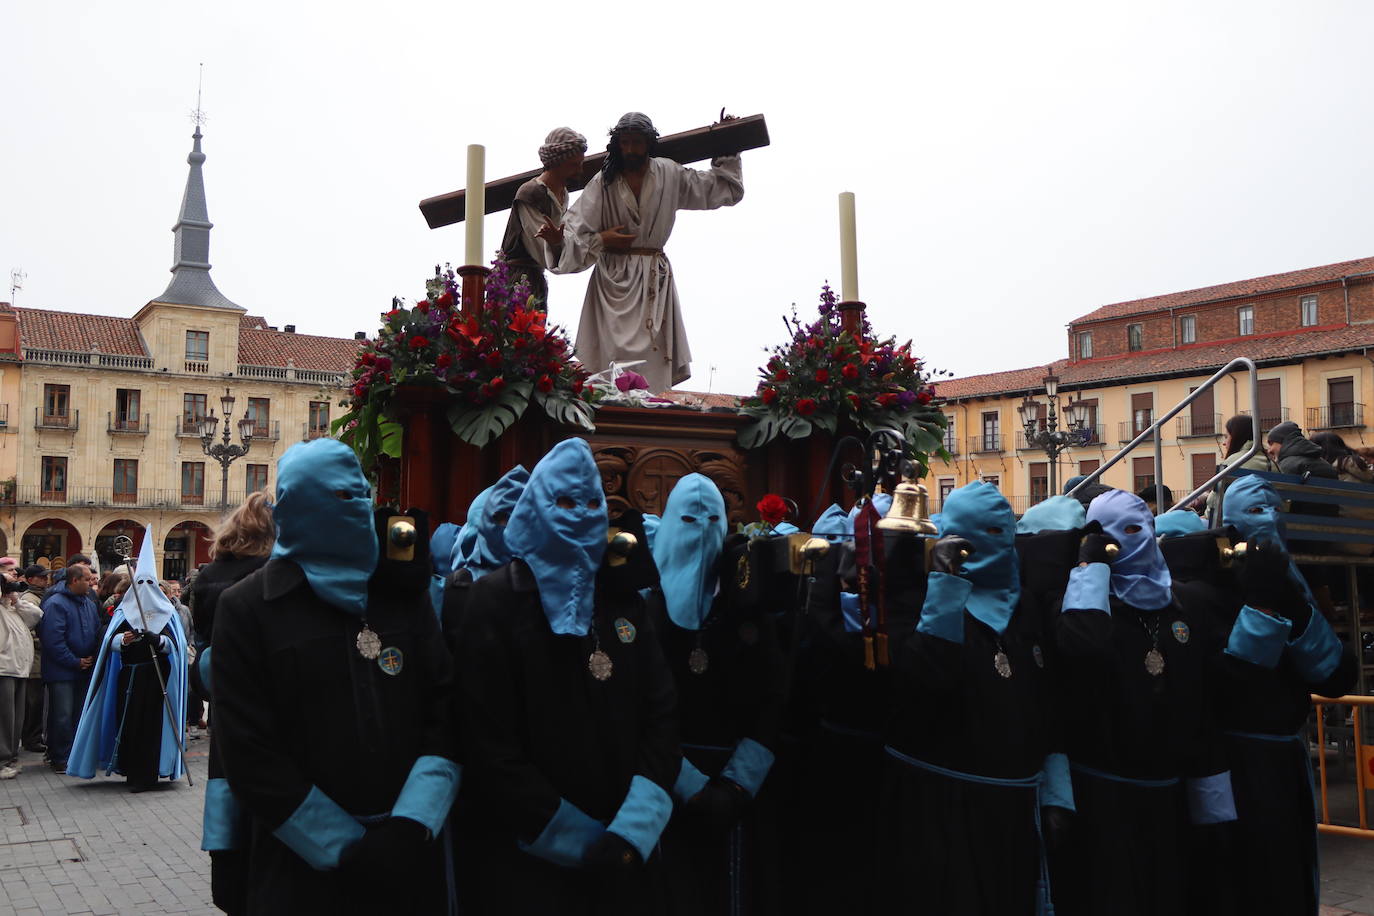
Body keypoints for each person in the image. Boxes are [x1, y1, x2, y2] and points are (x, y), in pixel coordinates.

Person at [212, 439, 459, 913]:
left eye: (362, 494)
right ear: (297, 506)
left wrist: (412, 823)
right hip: (300, 864)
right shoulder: (247, 607)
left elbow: (443, 708)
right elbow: (246, 746)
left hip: (408, 854)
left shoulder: (401, 595)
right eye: (341, 497)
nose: (359, 507)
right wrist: (341, 845)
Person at [454, 439, 679, 915]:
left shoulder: (623, 599)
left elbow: (660, 710)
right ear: (536, 506)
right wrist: (572, 836)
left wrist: (632, 830)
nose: (581, 514)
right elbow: (486, 739)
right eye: (564, 502)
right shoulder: (495, 601)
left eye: (594, 503)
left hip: (627, 850)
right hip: (532, 856)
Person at [879, 481, 1064, 915]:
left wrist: (1057, 791)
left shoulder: (1027, 605)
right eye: (983, 536)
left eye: (1005, 535)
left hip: (1016, 810)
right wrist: (944, 585)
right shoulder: (912, 596)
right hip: (941, 809)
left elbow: (1049, 698)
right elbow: (926, 677)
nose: (996, 548)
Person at [1052, 489, 1237, 916]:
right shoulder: (1080, 602)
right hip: (1104, 799)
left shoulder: (1182, 604)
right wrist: (1091, 568)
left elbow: (1201, 700)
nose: (1138, 541)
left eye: (1145, 530)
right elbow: (1083, 649)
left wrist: (1213, 806)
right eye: (1124, 532)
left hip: (1169, 797)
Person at [1206, 476, 1354, 914]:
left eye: (1275, 509)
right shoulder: (1211, 587)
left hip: (1287, 757)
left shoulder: (1292, 581)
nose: (1269, 519)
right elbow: (1238, 679)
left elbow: (1332, 676)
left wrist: (1288, 601)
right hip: (1239, 764)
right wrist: (1263, 604)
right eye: (1254, 512)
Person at [646, 474, 785, 916]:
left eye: (713, 520)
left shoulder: (746, 610)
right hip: (660, 779)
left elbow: (773, 697)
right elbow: (637, 705)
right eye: (689, 519)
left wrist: (738, 783)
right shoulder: (644, 609)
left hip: (734, 783)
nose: (701, 530)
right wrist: (688, 784)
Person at [561, 112, 745, 392]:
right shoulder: (604, 183)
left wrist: (728, 145)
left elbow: (718, 189)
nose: (631, 149)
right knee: (610, 364)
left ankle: (649, 414)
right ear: (617, 144)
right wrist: (601, 239)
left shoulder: (669, 173)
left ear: (649, 143)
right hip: (612, 283)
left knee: (651, 361)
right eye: (625, 142)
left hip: (652, 283)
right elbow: (571, 232)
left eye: (637, 142)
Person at [189, 489, 275, 916]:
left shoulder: (206, 578)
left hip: (223, 705)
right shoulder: (270, 575)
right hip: (266, 709)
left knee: (228, 796)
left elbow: (202, 643)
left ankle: (229, 884)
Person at [69, 532, 188, 792]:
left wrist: (158, 641)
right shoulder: (123, 611)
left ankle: (149, 774)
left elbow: (176, 646)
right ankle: (130, 769)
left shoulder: (167, 612)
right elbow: (108, 643)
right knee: (130, 726)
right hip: (129, 678)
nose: (144, 587)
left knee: (152, 728)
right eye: (140, 582)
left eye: (149, 582)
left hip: (157, 680)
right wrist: (123, 639)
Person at [498, 127, 588, 303]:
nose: (579, 171)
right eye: (573, 165)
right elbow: (543, 251)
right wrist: (560, 244)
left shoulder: (563, 193)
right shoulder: (530, 194)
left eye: (581, 164)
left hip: (536, 279)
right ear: (556, 163)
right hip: (514, 282)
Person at [37, 564, 102, 774]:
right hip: (62, 670)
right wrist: (75, 661)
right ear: (74, 580)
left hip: (84, 668)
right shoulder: (56, 603)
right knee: (62, 715)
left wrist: (91, 655)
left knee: (78, 714)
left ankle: (74, 754)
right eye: (87, 579)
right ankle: (59, 756)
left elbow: (94, 631)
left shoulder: (88, 603)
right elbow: (53, 640)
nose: (92, 583)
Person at [0, 561, 38, 779]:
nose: (14, 576)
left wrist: (15, 599)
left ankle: (11, 757)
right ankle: (2, 760)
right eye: (9, 572)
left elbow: (36, 616)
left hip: (19, 667)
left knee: (16, 718)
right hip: (3, 668)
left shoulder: (13, 607)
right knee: (4, 718)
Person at [1204, 414, 1278, 521]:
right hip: (1267, 523)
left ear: (1237, 436)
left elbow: (1213, 504)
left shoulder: (1231, 463)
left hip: (1234, 526)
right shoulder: (1271, 464)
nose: (1224, 443)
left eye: (1226, 437)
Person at [18, 566, 47, 755]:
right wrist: (41, 643)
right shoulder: (29, 599)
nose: (45, 580)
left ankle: (33, 736)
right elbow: (27, 629)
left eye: (45, 577)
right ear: (30, 579)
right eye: (40, 578)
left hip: (39, 659)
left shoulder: (41, 596)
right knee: (33, 702)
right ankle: (31, 738)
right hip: (35, 659)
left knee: (36, 701)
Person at [1265, 421, 1338, 478]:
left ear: (1284, 441)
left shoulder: (1286, 467)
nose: (1269, 450)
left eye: (1271, 444)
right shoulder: (1325, 464)